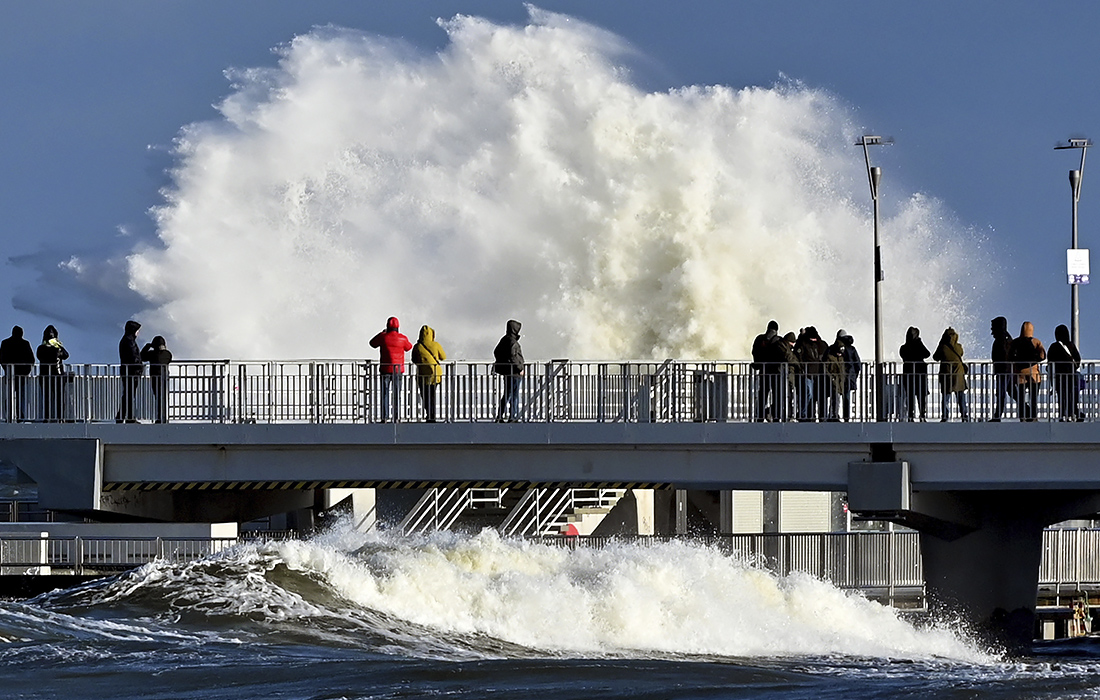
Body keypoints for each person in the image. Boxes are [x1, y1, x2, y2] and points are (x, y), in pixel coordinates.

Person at [369, 317, 412, 423]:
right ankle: (396, 417)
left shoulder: (383, 337)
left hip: (385, 369)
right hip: (398, 370)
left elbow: (372, 343)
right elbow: (409, 347)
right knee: (397, 394)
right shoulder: (402, 338)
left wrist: (382, 333)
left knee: (385, 394)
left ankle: (384, 417)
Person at [1009, 321, 1046, 422]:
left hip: (1020, 375)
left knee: (1021, 399)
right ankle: (1033, 416)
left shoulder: (1015, 342)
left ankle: (1023, 417)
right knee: (1033, 398)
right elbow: (1043, 355)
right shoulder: (1035, 341)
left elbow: (1009, 357)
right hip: (1034, 374)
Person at [933, 327, 969, 422]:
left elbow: (935, 357)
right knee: (961, 397)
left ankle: (945, 416)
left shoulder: (943, 347)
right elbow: (961, 354)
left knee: (945, 397)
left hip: (947, 375)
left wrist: (941, 342)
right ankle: (964, 416)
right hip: (959, 374)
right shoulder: (959, 347)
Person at [1047, 324, 1083, 422]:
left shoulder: (1054, 347)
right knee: (1072, 395)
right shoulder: (1071, 345)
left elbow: (1050, 361)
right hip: (1071, 375)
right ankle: (1073, 413)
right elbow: (1078, 359)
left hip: (1059, 376)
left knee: (1062, 396)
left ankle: (1063, 415)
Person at [411, 325, 447, 422]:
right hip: (435, 374)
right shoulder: (435, 345)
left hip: (423, 375)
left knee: (425, 396)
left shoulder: (417, 346)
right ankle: (433, 415)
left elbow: (413, 359)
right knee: (432, 395)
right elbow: (443, 357)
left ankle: (429, 415)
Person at [0, 326, 35, 422]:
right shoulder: (25, 343)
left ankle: (9, 417)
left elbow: (2, 359)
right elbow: (31, 359)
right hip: (22, 376)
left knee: (9, 397)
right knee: (21, 398)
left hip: (10, 375)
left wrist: (7, 369)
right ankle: (20, 416)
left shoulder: (5, 343)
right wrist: (26, 371)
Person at [763, 331, 799, 421]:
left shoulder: (784, 346)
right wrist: (797, 363)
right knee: (780, 397)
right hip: (780, 375)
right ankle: (772, 413)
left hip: (785, 376)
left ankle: (781, 415)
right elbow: (788, 357)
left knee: (785, 396)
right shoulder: (781, 346)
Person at [794, 326, 829, 421]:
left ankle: (812, 416)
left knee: (813, 395)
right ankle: (806, 415)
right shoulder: (805, 344)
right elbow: (798, 355)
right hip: (807, 374)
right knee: (809, 394)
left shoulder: (819, 345)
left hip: (818, 375)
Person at [493, 319, 525, 422]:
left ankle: (500, 416)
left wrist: (503, 363)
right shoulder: (513, 342)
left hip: (507, 372)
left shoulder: (504, 339)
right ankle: (513, 417)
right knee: (514, 396)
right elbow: (513, 356)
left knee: (507, 394)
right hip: (514, 373)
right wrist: (519, 368)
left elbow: (496, 351)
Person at [36, 325, 69, 422]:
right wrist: (58, 346)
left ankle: (47, 417)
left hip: (45, 376)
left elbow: (39, 357)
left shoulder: (41, 348)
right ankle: (60, 418)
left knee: (47, 399)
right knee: (59, 398)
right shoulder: (57, 348)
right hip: (57, 376)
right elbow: (66, 355)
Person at [899, 327, 930, 421]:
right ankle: (922, 415)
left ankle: (910, 416)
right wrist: (919, 342)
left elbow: (903, 356)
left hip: (908, 375)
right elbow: (927, 354)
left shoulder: (903, 348)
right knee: (921, 396)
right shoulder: (918, 345)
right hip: (920, 375)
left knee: (910, 396)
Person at [140, 335, 173, 424]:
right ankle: (164, 417)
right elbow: (169, 360)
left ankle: (159, 418)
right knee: (164, 397)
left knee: (158, 398)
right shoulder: (168, 354)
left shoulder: (152, 354)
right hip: (164, 377)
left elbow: (142, 357)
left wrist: (147, 346)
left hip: (155, 377)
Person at [751, 320, 779, 421]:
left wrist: (758, 363)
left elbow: (754, 351)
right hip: (776, 372)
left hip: (763, 370)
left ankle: (759, 416)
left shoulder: (760, 339)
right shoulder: (778, 340)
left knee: (762, 394)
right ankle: (774, 415)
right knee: (777, 395)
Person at [116, 320, 142, 423]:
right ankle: (128, 417)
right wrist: (139, 367)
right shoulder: (129, 341)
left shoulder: (126, 340)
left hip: (128, 372)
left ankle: (122, 416)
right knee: (129, 395)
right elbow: (133, 357)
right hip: (131, 372)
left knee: (128, 395)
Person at [990, 316, 1015, 422]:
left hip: (1003, 370)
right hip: (1007, 370)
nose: (991, 330)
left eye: (992, 327)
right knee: (1012, 392)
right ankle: (1027, 410)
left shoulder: (1001, 339)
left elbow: (1002, 354)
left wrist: (1000, 365)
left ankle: (997, 416)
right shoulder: (1007, 338)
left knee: (1001, 393)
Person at [836, 330, 861, 421]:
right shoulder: (852, 349)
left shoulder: (836, 347)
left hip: (839, 376)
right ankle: (846, 417)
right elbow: (858, 364)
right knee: (846, 398)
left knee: (836, 396)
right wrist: (854, 376)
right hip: (849, 376)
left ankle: (835, 415)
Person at [824, 337, 846, 421]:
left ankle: (834, 414)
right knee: (835, 398)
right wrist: (831, 378)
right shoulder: (830, 357)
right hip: (833, 380)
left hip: (839, 381)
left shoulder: (841, 358)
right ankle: (834, 415)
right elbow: (826, 369)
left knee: (837, 399)